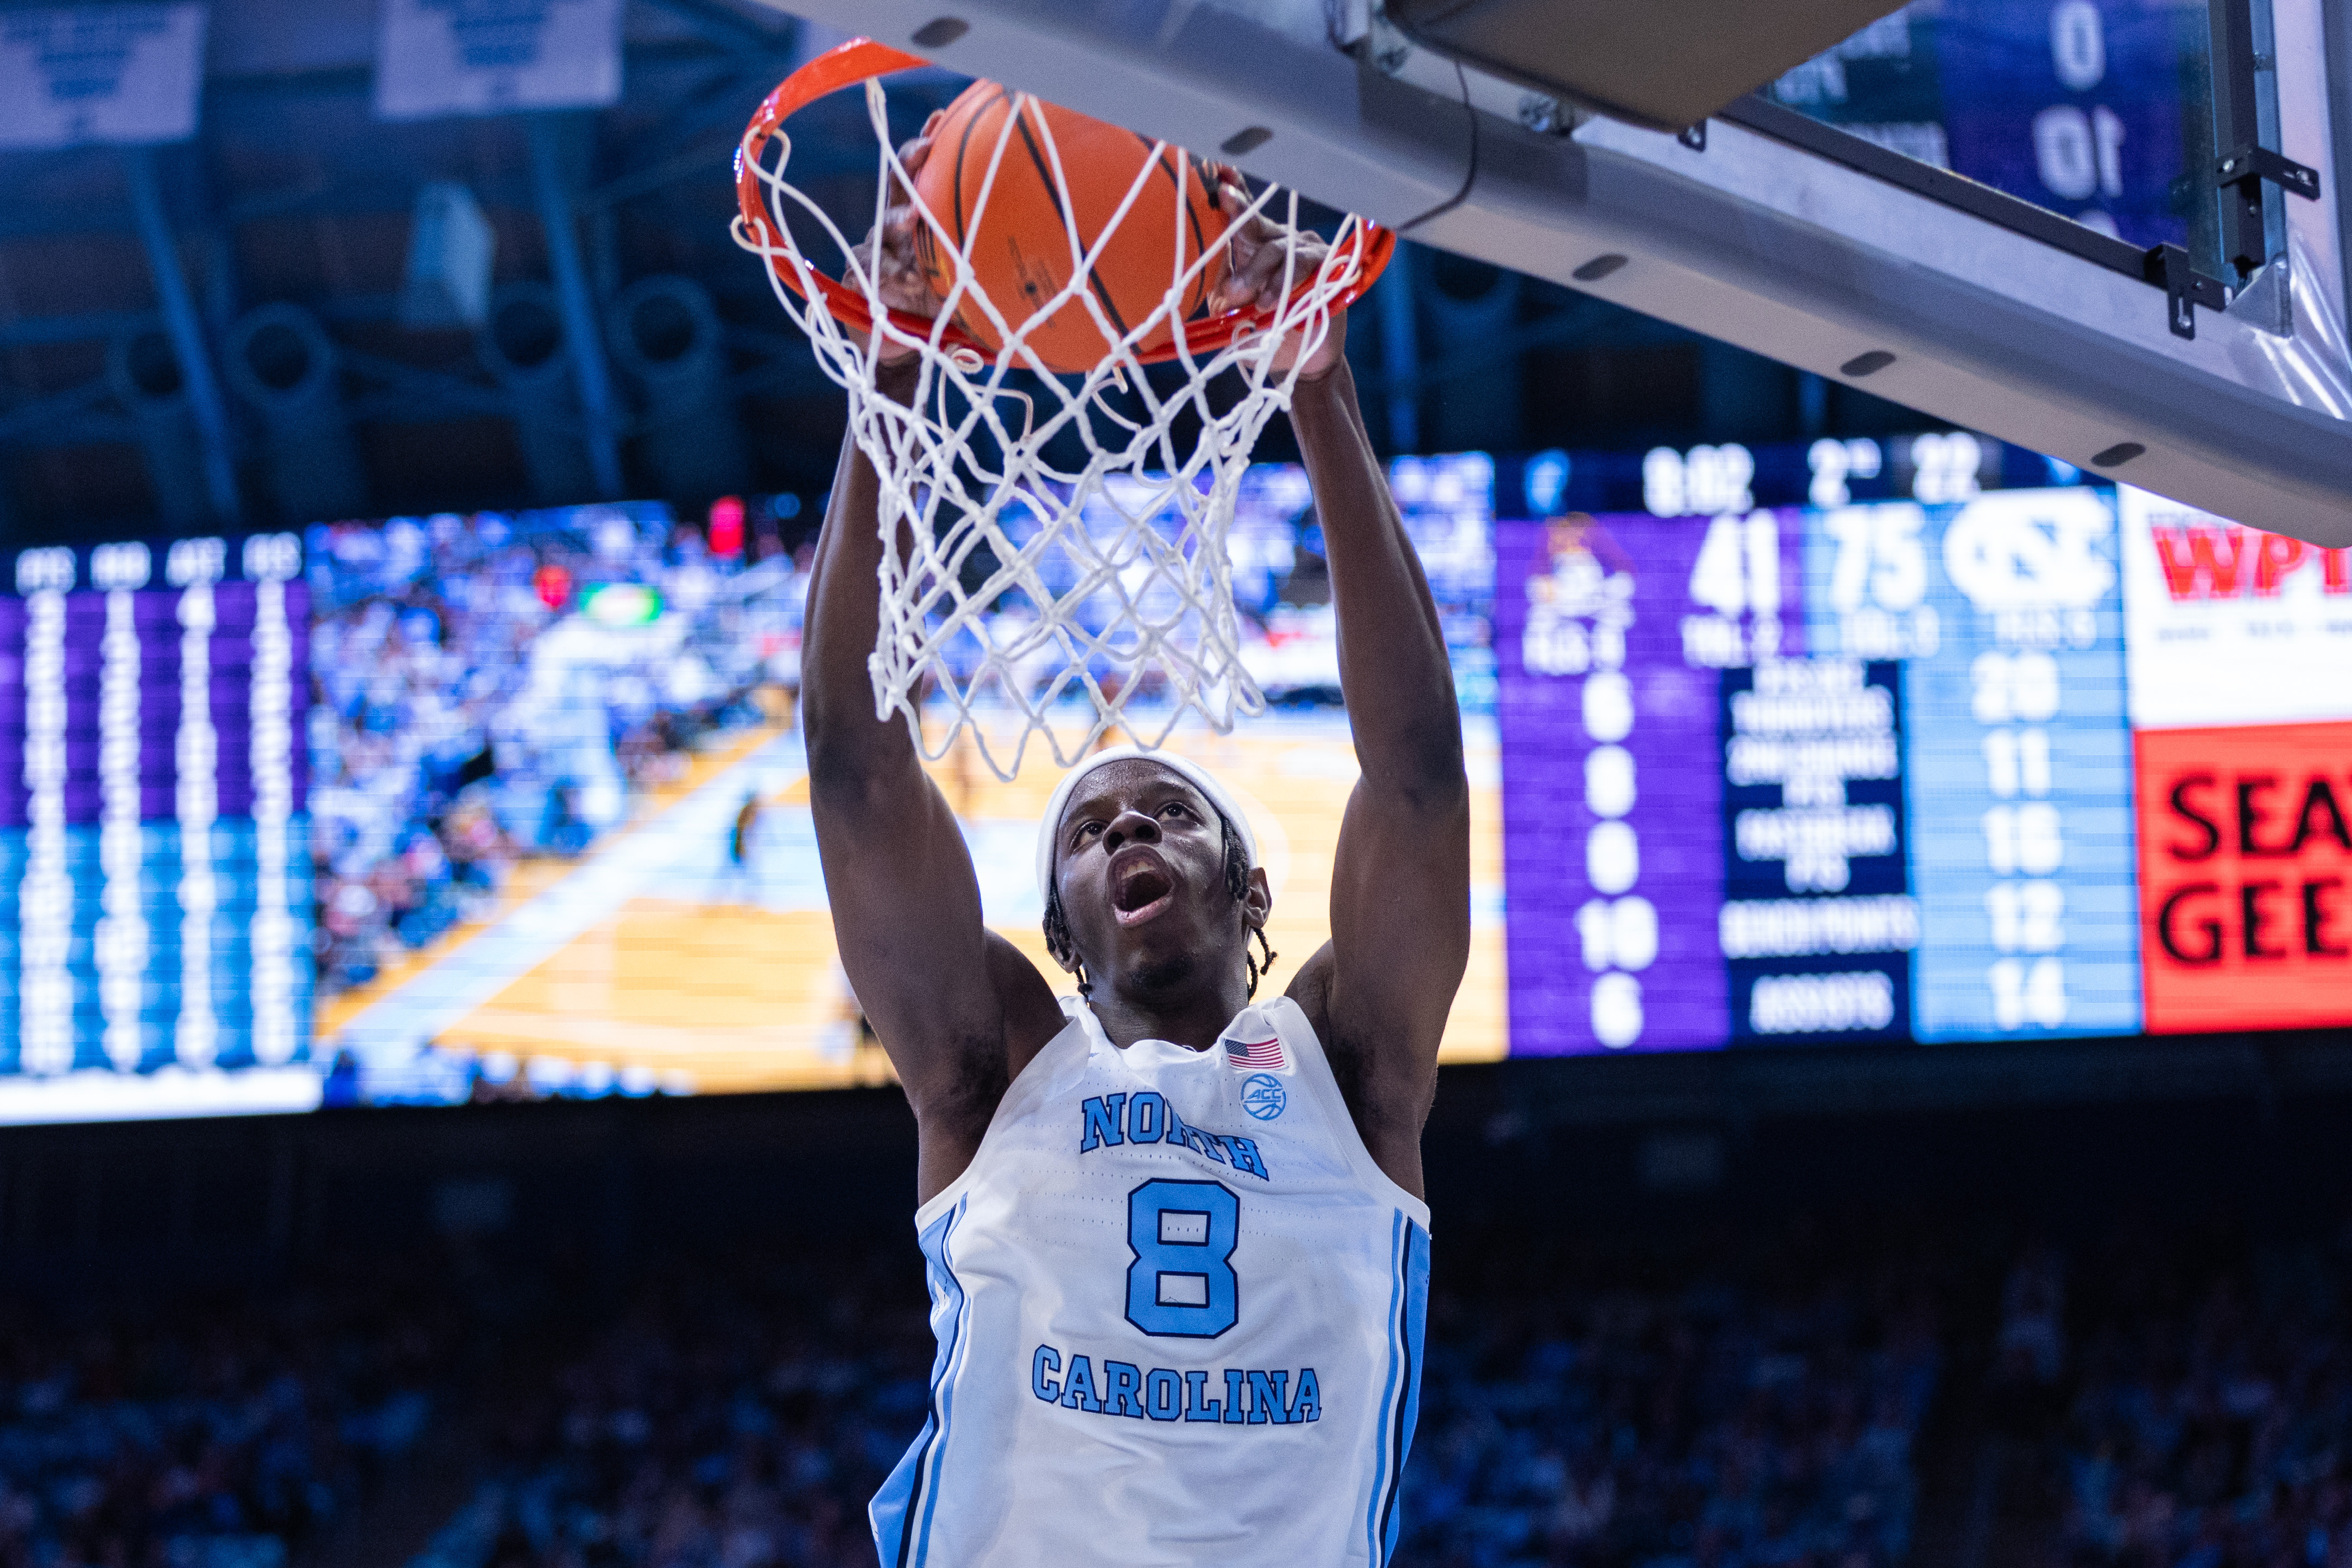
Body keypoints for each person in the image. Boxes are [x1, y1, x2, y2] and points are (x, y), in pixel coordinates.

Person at [800, 125, 1470, 1567]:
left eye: (1168, 810)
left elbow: (1413, 779)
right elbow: (858, 770)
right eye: (1091, 832)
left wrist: (1317, 385)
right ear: (1062, 933)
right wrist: (889, 382)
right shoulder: (995, 1075)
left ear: (1248, 888)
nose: (1127, 832)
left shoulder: (1347, 1068)